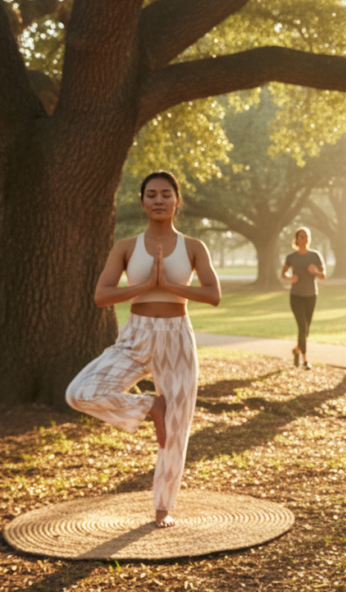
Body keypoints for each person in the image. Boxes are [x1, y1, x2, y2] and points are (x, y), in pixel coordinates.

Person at [66, 171, 221, 528]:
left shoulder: (194, 246)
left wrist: (168, 285)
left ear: (177, 200)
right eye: (151, 194)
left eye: (166, 194)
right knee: (79, 392)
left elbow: (213, 295)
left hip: (177, 337)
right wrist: (144, 286)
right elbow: (101, 295)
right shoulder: (126, 246)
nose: (158, 200)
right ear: (142, 201)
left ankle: (163, 509)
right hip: (136, 334)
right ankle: (150, 405)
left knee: (176, 428)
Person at [281, 227, 325, 370]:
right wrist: (290, 278)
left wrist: (315, 272)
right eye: (301, 236)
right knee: (302, 326)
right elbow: (283, 273)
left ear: (309, 239)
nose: (304, 239)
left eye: (306, 236)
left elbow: (323, 275)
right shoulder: (291, 257)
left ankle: (296, 350)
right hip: (296, 296)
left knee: (306, 330)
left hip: (311, 296)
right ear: (297, 239)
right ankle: (305, 360)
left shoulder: (315, 256)